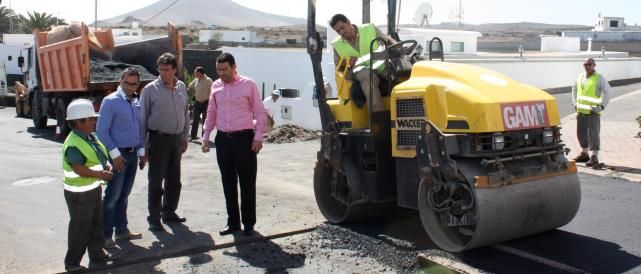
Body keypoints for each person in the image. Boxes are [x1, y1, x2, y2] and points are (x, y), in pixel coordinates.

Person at [201, 52, 268, 237]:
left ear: (233, 67)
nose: (221, 73)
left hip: (244, 139)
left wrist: (258, 137)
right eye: (218, 70)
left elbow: (260, 112)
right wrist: (206, 135)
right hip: (223, 139)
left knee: (247, 182)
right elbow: (211, 112)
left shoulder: (248, 85)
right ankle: (233, 223)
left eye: (225, 69)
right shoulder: (215, 86)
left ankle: (248, 223)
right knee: (228, 182)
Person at [62, 99, 114, 271]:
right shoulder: (73, 144)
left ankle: (97, 253)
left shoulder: (89, 137)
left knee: (95, 224)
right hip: (79, 193)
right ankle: (72, 263)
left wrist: (105, 166)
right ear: (78, 122)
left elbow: (97, 156)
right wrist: (101, 174)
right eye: (90, 119)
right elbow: (79, 169)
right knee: (80, 229)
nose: (94, 121)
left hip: (92, 189)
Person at [140, 52, 190, 232]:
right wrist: (142, 147)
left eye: (167, 70)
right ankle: (154, 218)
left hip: (176, 140)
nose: (163, 73)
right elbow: (142, 119)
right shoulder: (150, 90)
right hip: (158, 140)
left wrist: (185, 137)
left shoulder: (182, 87)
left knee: (174, 181)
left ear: (175, 69)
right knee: (156, 182)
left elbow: (186, 113)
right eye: (160, 70)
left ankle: (169, 212)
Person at [96, 67, 145, 248]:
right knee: (112, 196)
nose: (130, 87)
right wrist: (114, 155)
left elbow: (139, 130)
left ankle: (122, 231)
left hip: (132, 154)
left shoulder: (135, 102)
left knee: (124, 194)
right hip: (118, 155)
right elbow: (101, 132)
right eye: (127, 83)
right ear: (120, 81)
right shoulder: (110, 102)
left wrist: (141, 153)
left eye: (134, 84)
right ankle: (106, 235)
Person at [330, 13, 395, 112]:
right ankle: (378, 121)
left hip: (381, 68)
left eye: (342, 28)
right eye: (338, 31)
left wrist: (400, 49)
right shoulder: (337, 45)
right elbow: (339, 67)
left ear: (348, 22)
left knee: (403, 71)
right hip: (358, 72)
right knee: (367, 76)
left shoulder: (370, 29)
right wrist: (347, 62)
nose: (341, 32)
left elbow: (388, 42)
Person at [571, 57, 611, 169]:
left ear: (594, 65)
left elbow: (608, 92)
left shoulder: (599, 78)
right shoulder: (580, 77)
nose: (587, 66)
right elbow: (574, 89)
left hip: (593, 112)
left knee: (594, 134)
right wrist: (574, 103)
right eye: (585, 64)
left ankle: (594, 156)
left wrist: (601, 106)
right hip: (581, 111)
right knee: (581, 133)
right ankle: (584, 154)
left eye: (589, 64)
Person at [187, 66, 213, 141]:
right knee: (195, 119)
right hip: (197, 102)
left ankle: (204, 136)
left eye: (196, 73)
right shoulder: (196, 80)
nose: (195, 74)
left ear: (200, 73)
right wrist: (189, 91)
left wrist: (211, 103)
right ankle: (193, 136)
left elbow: (212, 92)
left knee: (205, 120)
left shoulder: (208, 80)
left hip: (206, 102)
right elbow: (190, 87)